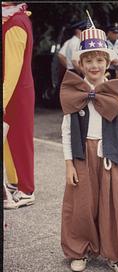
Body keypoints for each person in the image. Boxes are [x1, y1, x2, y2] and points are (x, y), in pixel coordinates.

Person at [60, 21, 118, 272]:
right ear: (81, 64)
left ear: (107, 63)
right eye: (89, 61)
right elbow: (67, 130)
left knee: (113, 204)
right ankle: (79, 250)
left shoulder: (115, 93)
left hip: (110, 156)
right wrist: (69, 164)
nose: (94, 66)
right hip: (82, 155)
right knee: (81, 204)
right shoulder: (75, 92)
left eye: (99, 60)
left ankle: (115, 254)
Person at [3, 2, 35, 208]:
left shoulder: (15, 23)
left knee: (19, 141)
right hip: (16, 91)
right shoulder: (15, 19)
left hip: (15, 93)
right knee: (11, 141)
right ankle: (16, 183)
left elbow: (12, 68)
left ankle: (26, 190)